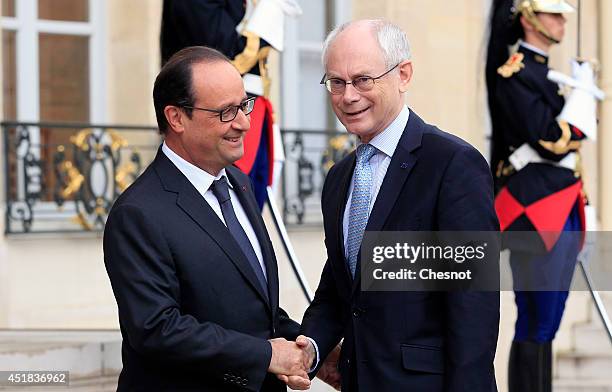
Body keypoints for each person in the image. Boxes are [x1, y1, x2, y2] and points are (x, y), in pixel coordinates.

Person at [298, 19, 500, 391]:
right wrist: (310, 347)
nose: (348, 96)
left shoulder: (452, 164)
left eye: (362, 80)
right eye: (336, 83)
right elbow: (341, 286)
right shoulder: (339, 178)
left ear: (403, 74)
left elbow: (473, 308)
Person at [103, 46, 312, 391]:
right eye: (226, 112)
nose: (244, 123)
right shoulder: (138, 214)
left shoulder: (239, 183)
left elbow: (253, 309)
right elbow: (157, 329)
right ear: (176, 118)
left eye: (244, 105)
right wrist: (265, 355)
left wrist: (312, 348)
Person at [486, 1, 588, 391]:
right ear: (529, 17)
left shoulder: (549, 76)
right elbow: (550, 140)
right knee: (537, 319)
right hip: (537, 208)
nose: (562, 21)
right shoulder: (516, 74)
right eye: (554, 14)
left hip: (562, 203)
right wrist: (581, 108)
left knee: (546, 319)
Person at [160, 0, 300, 209]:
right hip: (220, 112)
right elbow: (223, 57)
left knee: (249, 203)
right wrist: (267, 16)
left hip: (247, 108)